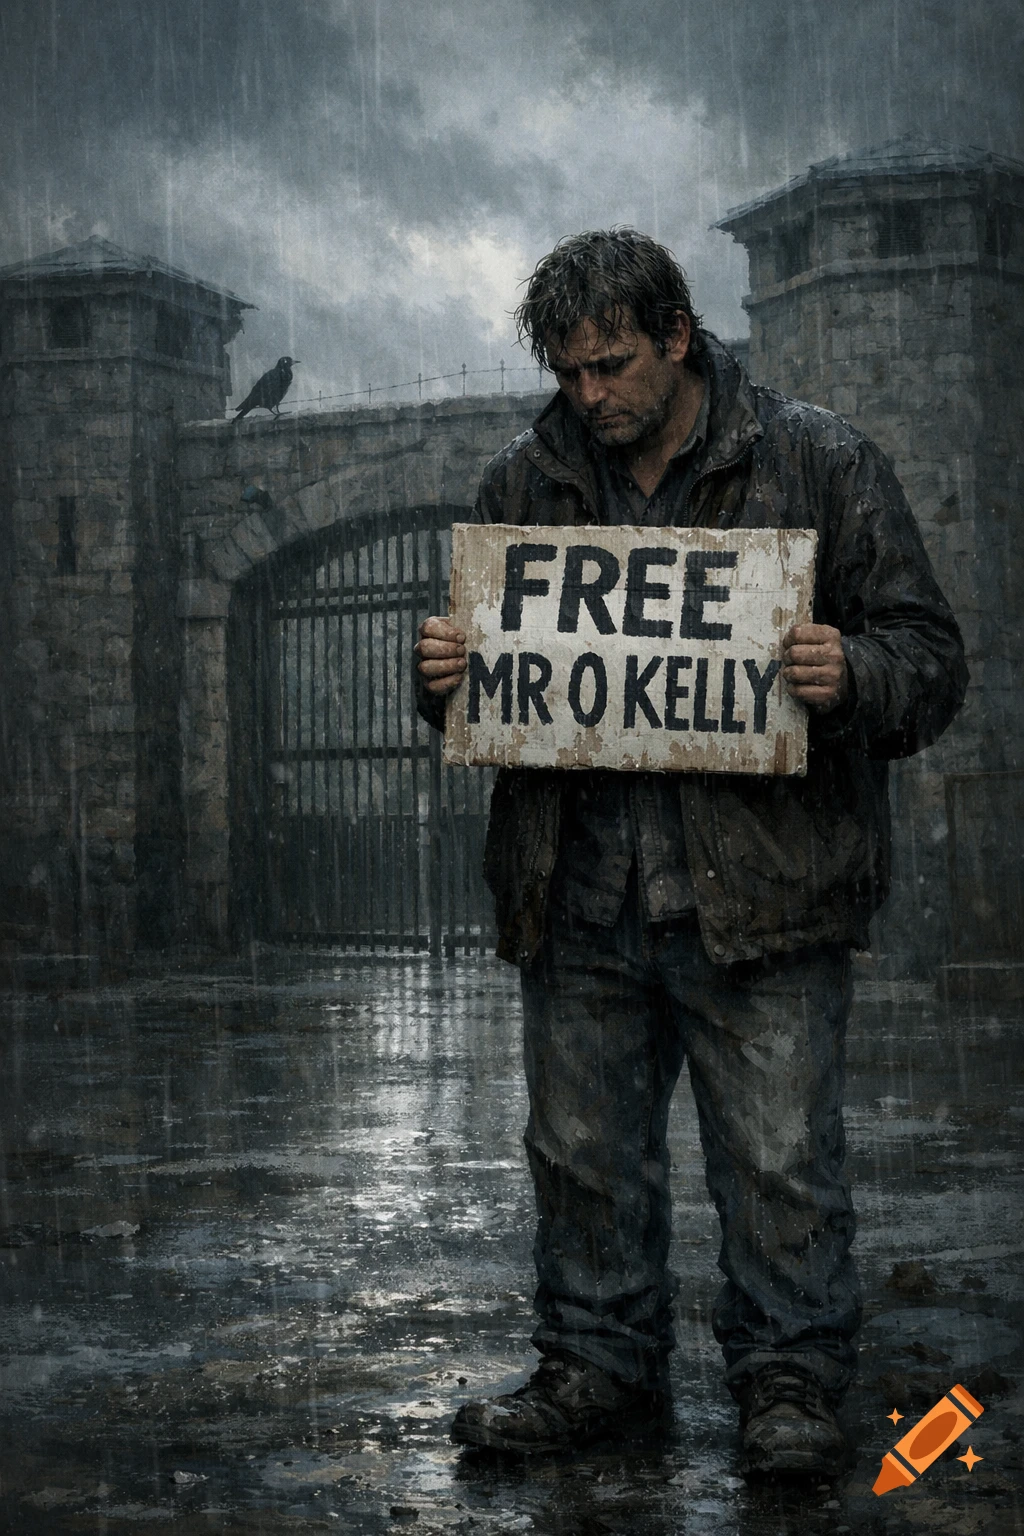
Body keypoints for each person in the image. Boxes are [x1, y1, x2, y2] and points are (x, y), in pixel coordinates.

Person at [415, 229, 966, 1474]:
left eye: (609, 366)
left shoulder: (818, 460)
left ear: (676, 337)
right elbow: (488, 691)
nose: (588, 396)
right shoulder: (523, 481)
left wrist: (856, 672)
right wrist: (437, 681)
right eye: (567, 373)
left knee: (778, 1162)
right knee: (580, 1157)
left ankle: (787, 1386)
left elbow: (932, 662)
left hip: (765, 891)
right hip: (581, 892)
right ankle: (593, 1369)